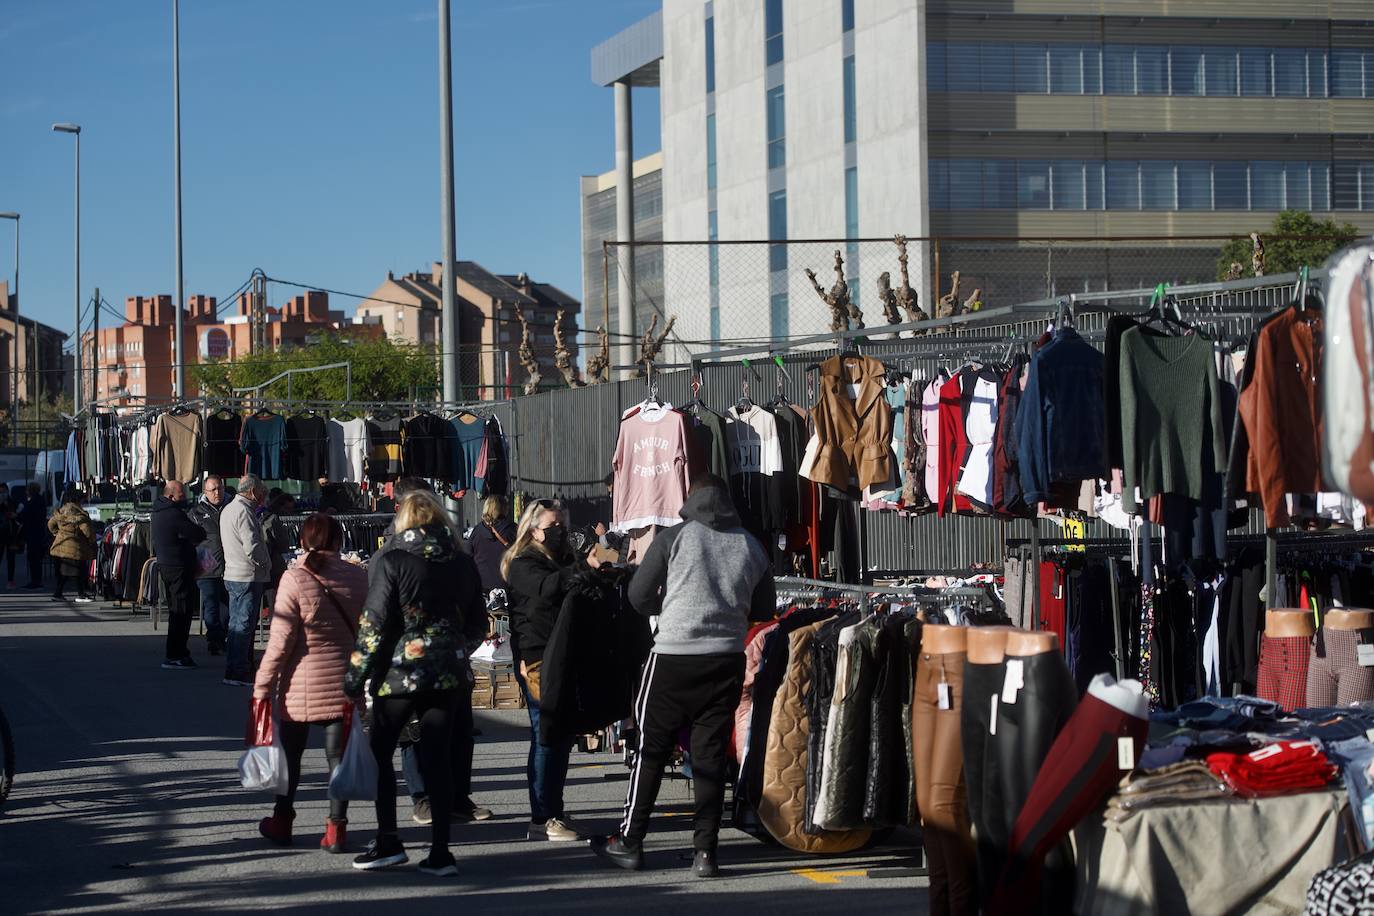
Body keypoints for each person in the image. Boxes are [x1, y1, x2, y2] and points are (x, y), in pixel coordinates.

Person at [590, 473, 774, 877]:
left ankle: (630, 839)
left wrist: (671, 605)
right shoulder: (751, 545)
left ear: (690, 499)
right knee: (708, 758)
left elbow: (639, 597)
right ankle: (706, 852)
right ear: (727, 501)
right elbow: (764, 607)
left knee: (651, 751)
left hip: (673, 657)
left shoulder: (673, 539)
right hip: (726, 659)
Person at [343, 490, 486, 877]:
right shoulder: (462, 561)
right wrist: (453, 648)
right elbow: (479, 624)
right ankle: (441, 851)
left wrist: (355, 678)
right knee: (440, 758)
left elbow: (373, 625)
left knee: (381, 751)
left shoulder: (392, 560)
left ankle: (388, 839)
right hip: (449, 674)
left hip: (399, 674)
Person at [253, 513, 369, 853]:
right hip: (345, 683)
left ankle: (282, 820)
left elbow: (280, 642)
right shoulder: (357, 577)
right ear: (338, 541)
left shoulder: (294, 578)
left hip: (300, 686)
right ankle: (336, 828)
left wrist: (262, 686)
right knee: (339, 759)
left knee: (291, 756)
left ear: (303, 541)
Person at [503, 498, 596, 842]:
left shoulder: (564, 559)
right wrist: (582, 568)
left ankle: (552, 809)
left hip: (565, 655)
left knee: (559, 738)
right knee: (546, 737)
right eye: (553, 527)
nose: (560, 533)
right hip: (539, 658)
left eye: (563, 526)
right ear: (533, 529)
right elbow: (546, 590)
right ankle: (543, 816)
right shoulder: (523, 563)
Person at [151, 480, 208, 670]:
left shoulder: (158, 512)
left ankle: (176, 652)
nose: (184, 497)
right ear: (171, 495)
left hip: (168, 566)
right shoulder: (173, 514)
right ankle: (176, 653)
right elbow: (197, 533)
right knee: (181, 612)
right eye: (181, 494)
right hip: (178, 568)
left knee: (177, 611)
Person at [221, 474, 270, 687]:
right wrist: (266, 563)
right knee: (243, 626)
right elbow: (252, 547)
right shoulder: (244, 511)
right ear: (252, 491)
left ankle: (234, 669)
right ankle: (238, 672)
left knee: (236, 625)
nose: (262, 496)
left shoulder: (229, 509)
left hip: (233, 573)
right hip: (246, 575)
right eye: (261, 492)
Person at [188, 476, 229, 656]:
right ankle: (214, 639)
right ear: (205, 492)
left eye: (219, 488)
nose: (217, 493)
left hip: (230, 565)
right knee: (211, 604)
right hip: (206, 566)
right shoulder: (196, 513)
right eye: (213, 490)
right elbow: (190, 539)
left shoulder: (231, 507)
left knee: (228, 607)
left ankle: (222, 635)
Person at [48, 488, 95, 603]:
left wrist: (57, 534)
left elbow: (50, 524)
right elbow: (87, 532)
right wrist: (92, 541)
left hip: (59, 546)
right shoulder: (79, 515)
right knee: (78, 571)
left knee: (65, 572)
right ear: (78, 500)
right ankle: (80, 594)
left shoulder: (61, 511)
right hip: (74, 547)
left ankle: (58, 594)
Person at [467, 495, 515, 596]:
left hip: (482, 583)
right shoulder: (512, 529)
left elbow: (468, 555)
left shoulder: (477, 530)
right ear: (504, 508)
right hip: (507, 583)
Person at [19, 482, 48, 590]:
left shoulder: (34, 501)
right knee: (35, 558)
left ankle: (36, 581)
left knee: (34, 558)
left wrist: (20, 513)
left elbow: (27, 514)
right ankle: (36, 580)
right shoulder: (39, 500)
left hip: (34, 534)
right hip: (37, 533)